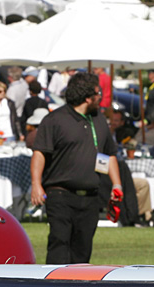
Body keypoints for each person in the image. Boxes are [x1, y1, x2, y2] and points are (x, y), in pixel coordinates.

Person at [31, 71, 121, 264]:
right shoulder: (55, 120)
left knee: (83, 248)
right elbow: (39, 152)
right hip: (60, 194)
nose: (101, 97)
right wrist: (36, 184)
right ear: (88, 97)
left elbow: (109, 154)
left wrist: (117, 185)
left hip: (90, 197)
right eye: (98, 93)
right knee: (59, 243)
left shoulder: (99, 120)